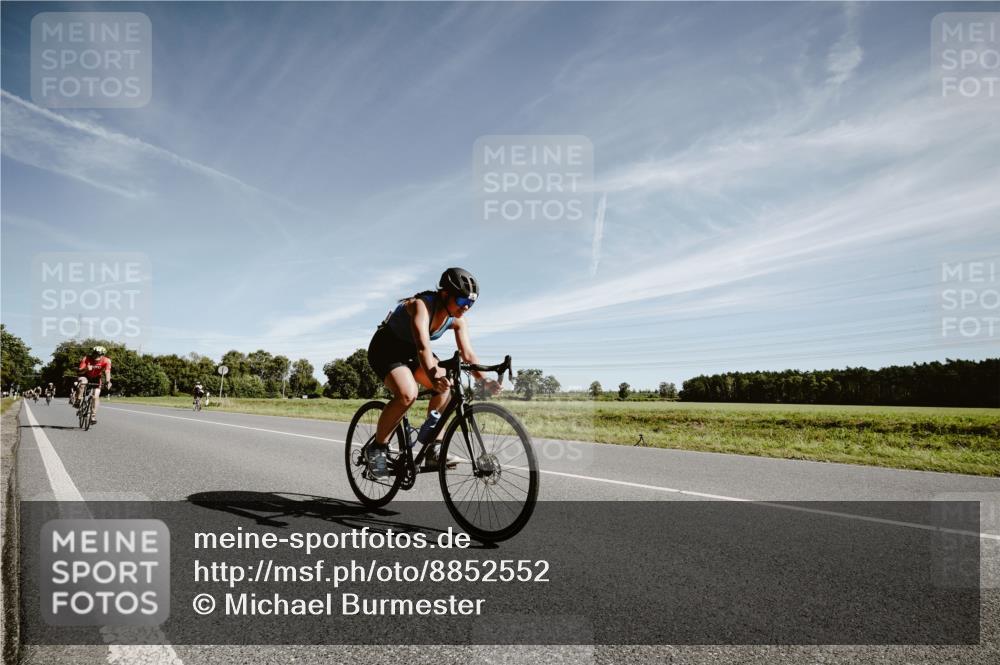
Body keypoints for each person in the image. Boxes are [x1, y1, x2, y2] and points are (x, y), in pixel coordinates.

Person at [365, 268, 501, 477]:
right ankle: (377, 449)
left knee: (447, 387)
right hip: (386, 350)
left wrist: (485, 381)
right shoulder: (422, 305)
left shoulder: (457, 319)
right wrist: (432, 375)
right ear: (445, 294)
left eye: (471, 304)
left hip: (412, 354)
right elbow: (423, 347)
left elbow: (468, 354)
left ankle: (433, 448)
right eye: (463, 301)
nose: (466, 308)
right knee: (407, 394)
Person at [74, 346, 112, 424]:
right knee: (82, 383)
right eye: (94, 354)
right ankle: (78, 400)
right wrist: (86, 369)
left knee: (96, 396)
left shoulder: (106, 361)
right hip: (85, 375)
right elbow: (79, 372)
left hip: (96, 378)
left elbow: (107, 372)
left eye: (98, 354)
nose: (95, 356)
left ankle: (93, 416)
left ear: (102, 355)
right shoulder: (86, 358)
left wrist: (108, 382)